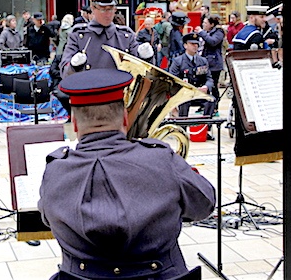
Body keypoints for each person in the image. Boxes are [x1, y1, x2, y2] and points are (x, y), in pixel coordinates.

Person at [39, 68, 215, 280]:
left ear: (74, 124)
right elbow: (205, 204)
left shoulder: (56, 169)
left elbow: (48, 220)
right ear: (124, 117)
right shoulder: (161, 158)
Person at [60, 0, 154, 77]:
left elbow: (143, 72)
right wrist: (74, 66)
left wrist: (146, 57)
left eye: (111, 9)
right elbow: (65, 73)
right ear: (93, 8)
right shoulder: (79, 35)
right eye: (103, 9)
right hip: (90, 90)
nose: (108, 14)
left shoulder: (125, 35)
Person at [168, 33, 214, 118]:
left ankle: (206, 126)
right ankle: (182, 126)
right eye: (192, 44)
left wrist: (206, 86)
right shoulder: (178, 61)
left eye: (196, 44)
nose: (195, 46)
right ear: (185, 45)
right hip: (185, 93)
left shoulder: (202, 61)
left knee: (211, 100)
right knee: (183, 103)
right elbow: (172, 79)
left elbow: (209, 78)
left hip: (199, 92)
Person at [198, 14, 225, 104]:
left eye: (205, 23)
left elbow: (213, 42)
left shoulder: (219, 32)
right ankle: (204, 105)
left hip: (214, 64)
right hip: (204, 63)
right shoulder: (206, 33)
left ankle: (214, 106)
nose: (203, 24)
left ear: (212, 24)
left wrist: (202, 33)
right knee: (203, 85)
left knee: (213, 85)